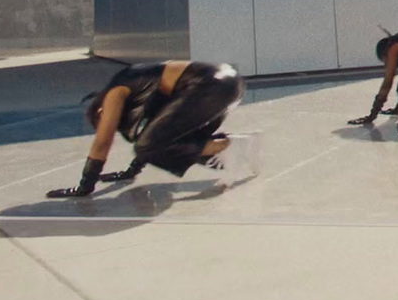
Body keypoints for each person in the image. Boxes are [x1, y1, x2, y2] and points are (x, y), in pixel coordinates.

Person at [47, 61, 256, 198]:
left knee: (151, 147)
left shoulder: (115, 91)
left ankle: (233, 145)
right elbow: (153, 136)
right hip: (227, 82)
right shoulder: (143, 89)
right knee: (162, 144)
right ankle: (237, 148)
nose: (106, 121)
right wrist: (130, 172)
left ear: (99, 108)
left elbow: (103, 141)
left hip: (209, 86)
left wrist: (85, 186)